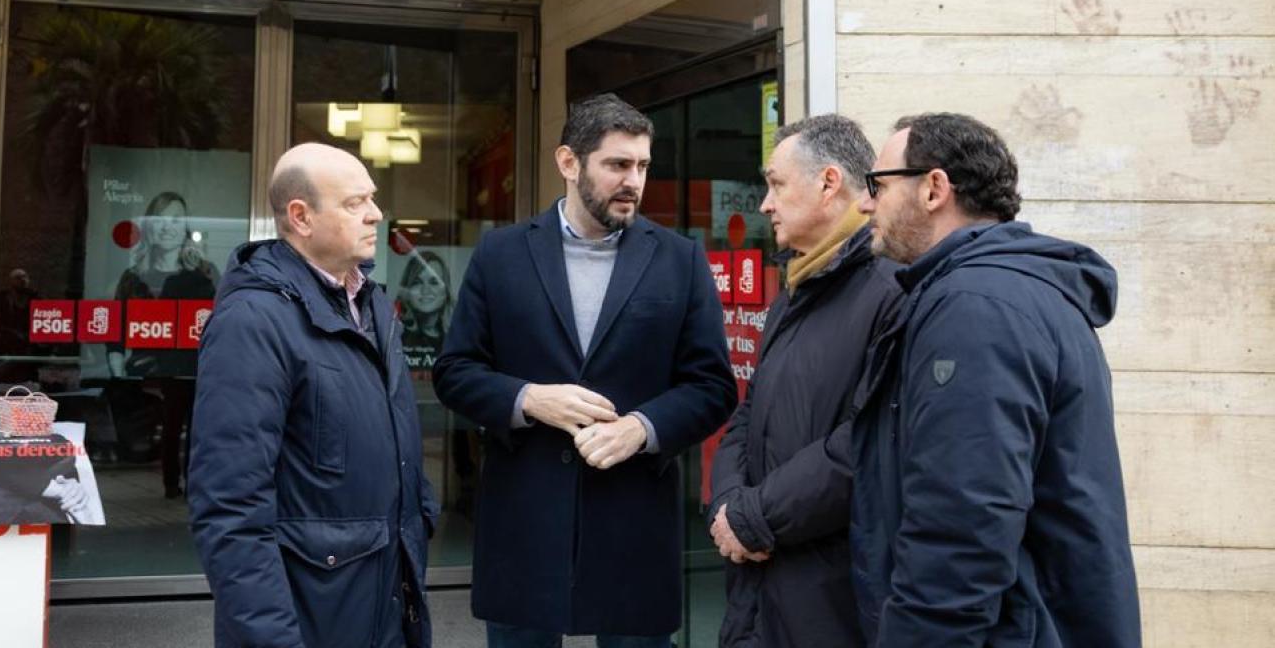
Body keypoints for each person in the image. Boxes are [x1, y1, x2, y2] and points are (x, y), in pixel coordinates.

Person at [434, 93, 738, 647]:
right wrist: (529, 399)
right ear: (569, 163)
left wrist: (640, 430)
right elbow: (455, 370)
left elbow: (712, 387)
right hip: (524, 523)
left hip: (633, 525)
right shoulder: (500, 254)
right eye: (618, 165)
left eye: (643, 166)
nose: (634, 181)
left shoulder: (679, 259)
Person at [850, 113, 1140, 646]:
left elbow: (961, 528)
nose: (866, 204)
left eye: (878, 185)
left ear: (934, 188)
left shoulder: (974, 308)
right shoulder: (1010, 291)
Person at [189, 143, 437, 648]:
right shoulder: (252, 322)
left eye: (373, 198)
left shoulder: (371, 303)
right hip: (311, 622)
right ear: (300, 217)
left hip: (385, 607)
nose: (375, 214)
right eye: (353, 203)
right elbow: (231, 511)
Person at [708, 114, 902, 648]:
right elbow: (750, 415)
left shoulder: (891, 292)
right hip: (758, 584)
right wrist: (726, 509)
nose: (765, 204)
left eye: (775, 184)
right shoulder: (793, 287)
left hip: (828, 600)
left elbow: (861, 443)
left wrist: (754, 517)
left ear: (829, 182)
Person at [108, 191, 218, 496]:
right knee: (170, 427)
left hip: (197, 364)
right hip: (151, 371)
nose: (168, 226)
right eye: (161, 219)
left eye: (176, 219)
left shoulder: (205, 271)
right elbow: (117, 323)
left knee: (199, 430)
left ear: (185, 227)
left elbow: (220, 316)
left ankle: (193, 483)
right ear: (149, 227)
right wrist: (117, 365)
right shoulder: (134, 276)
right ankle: (171, 483)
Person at [397, 250, 453, 372]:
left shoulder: (455, 341)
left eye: (434, 282)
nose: (426, 290)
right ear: (407, 290)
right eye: (417, 282)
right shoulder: (395, 337)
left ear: (446, 291)